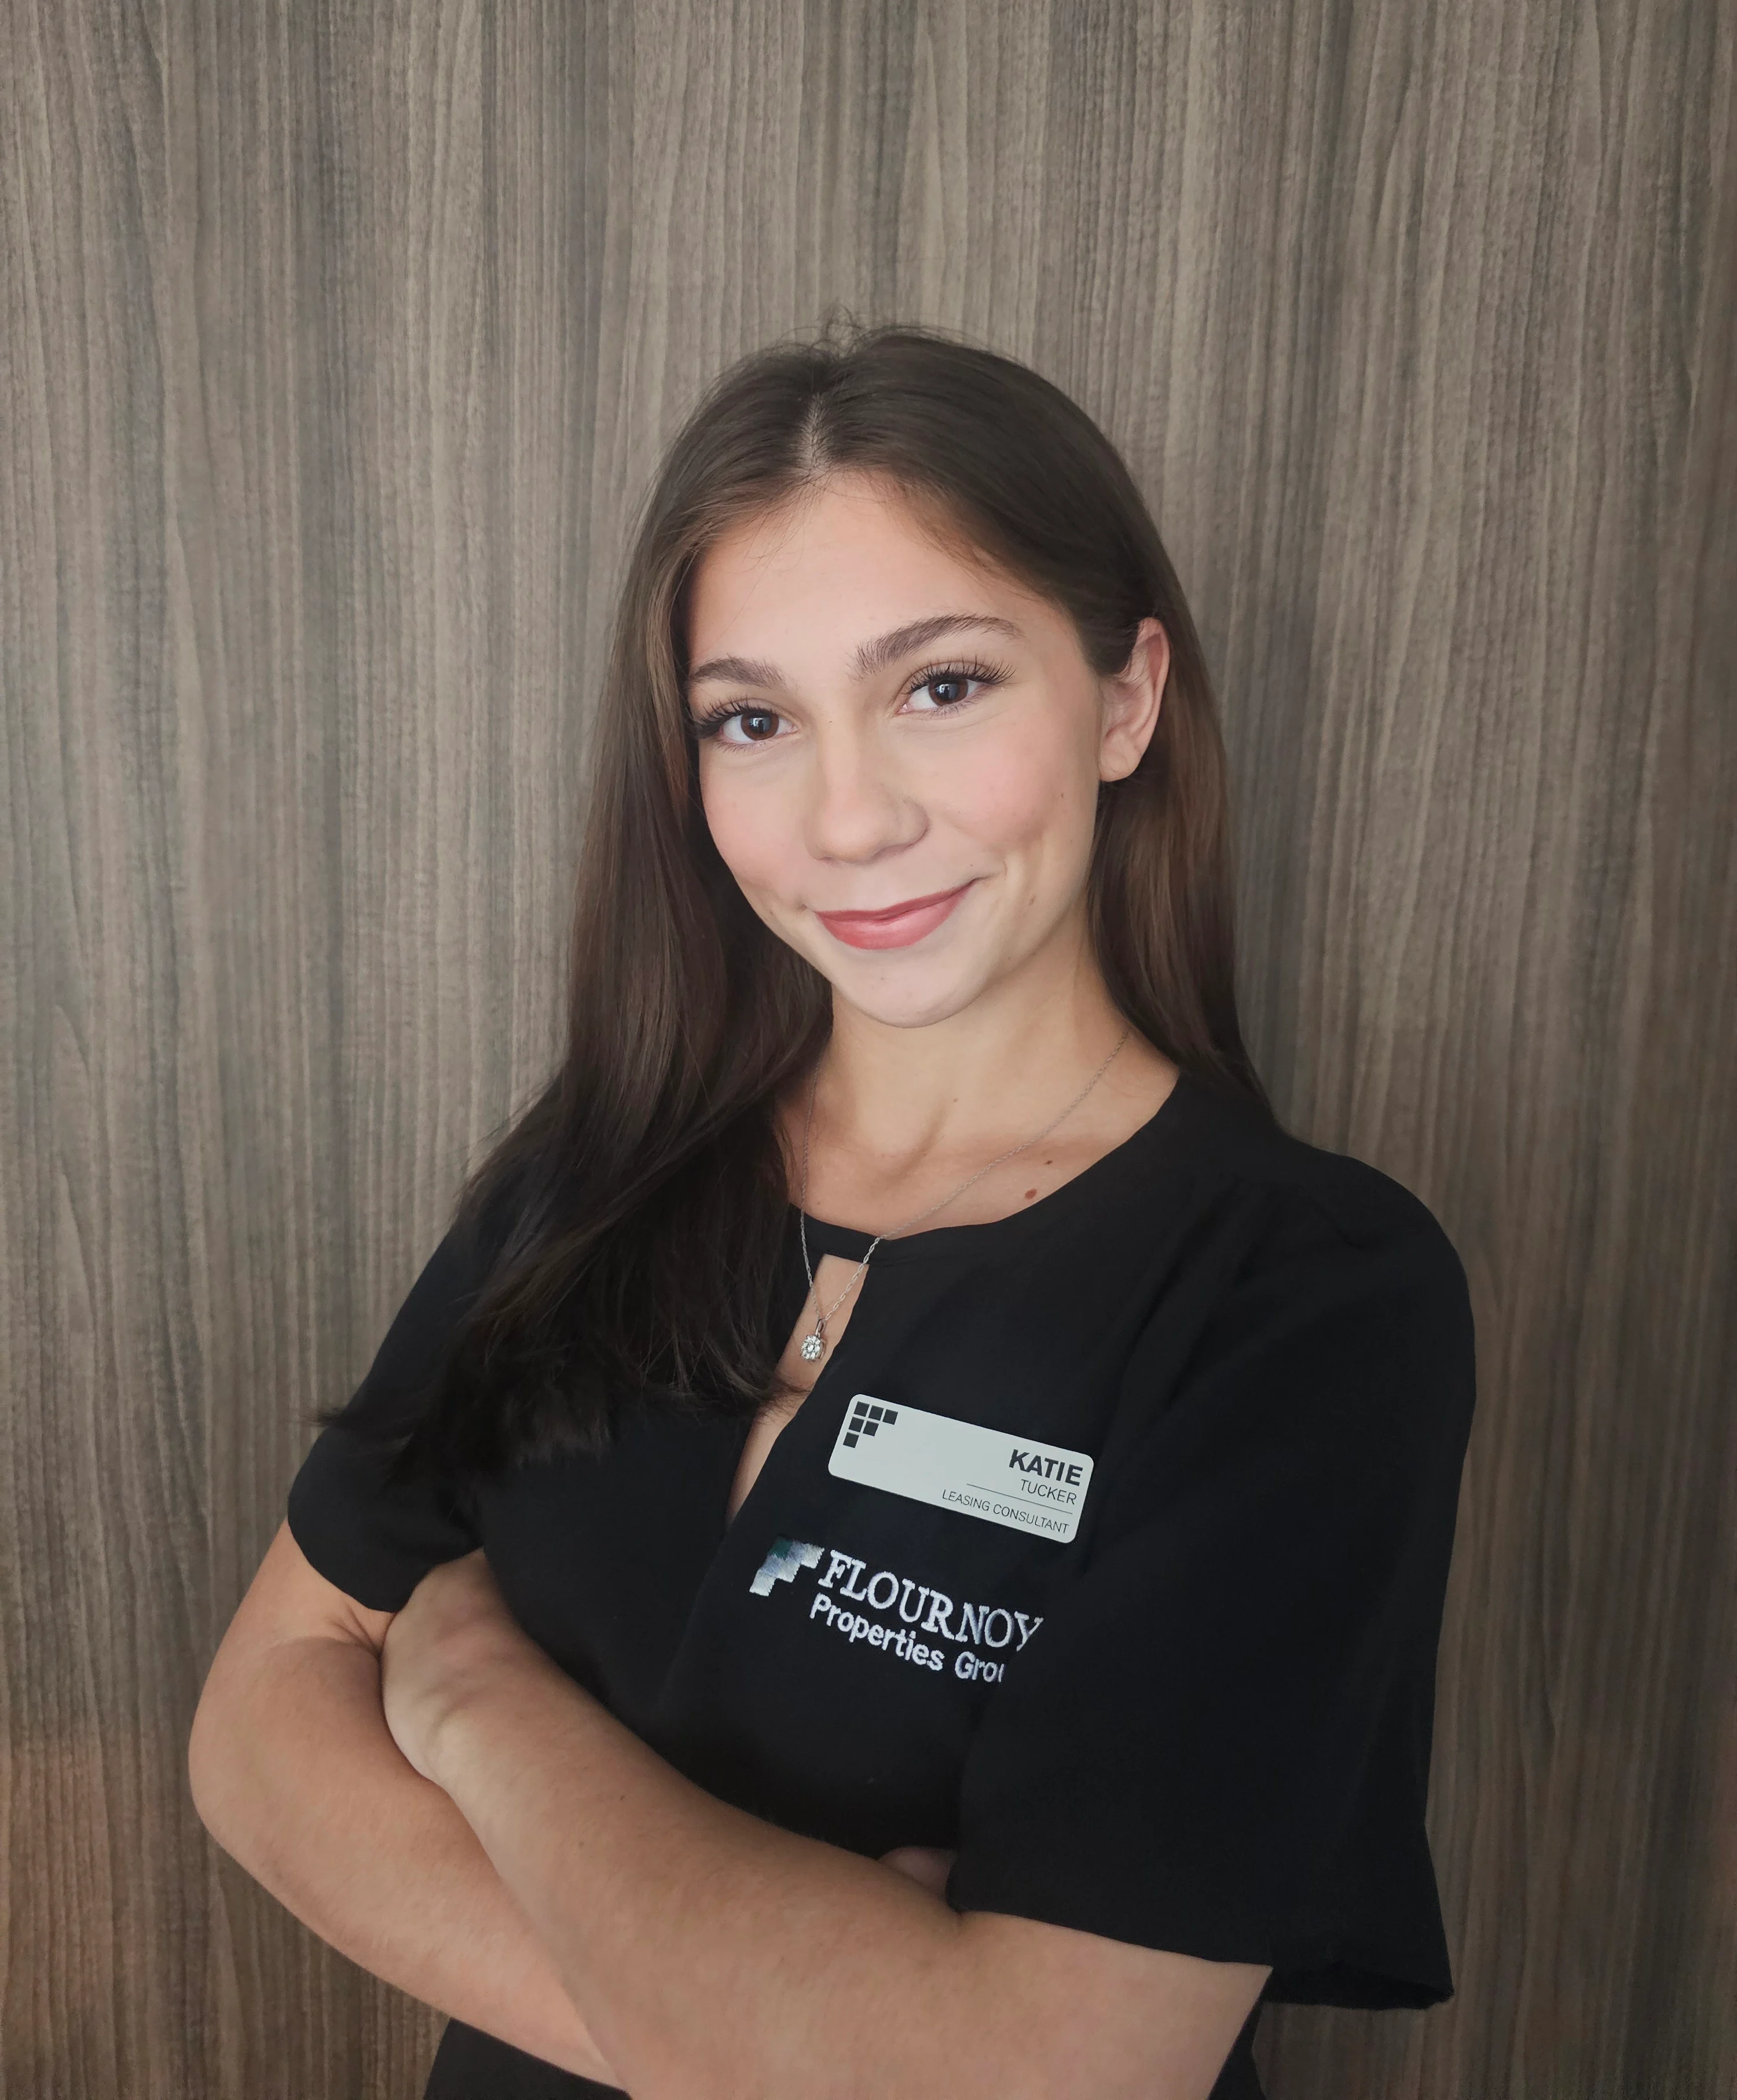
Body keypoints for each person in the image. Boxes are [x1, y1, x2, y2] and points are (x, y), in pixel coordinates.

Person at [188, 322, 1476, 2100]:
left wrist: (475, 1701)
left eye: (941, 685)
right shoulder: (600, 1171)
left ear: (1126, 698)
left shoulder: (1309, 1298)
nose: (849, 817)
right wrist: (802, 2034)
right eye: (752, 719)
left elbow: (1051, 2081)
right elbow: (263, 1721)